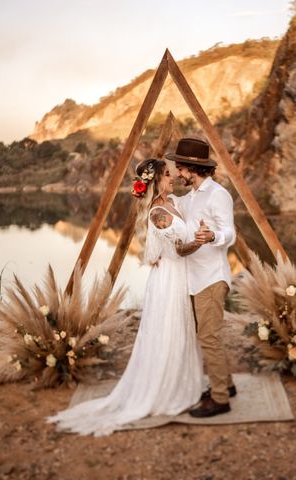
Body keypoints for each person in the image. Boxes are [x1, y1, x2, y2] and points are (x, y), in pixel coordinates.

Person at [47, 158, 206, 436]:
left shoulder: (174, 203)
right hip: (169, 278)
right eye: (169, 175)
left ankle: (183, 383)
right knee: (168, 332)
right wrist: (201, 240)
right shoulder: (158, 213)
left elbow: (191, 207)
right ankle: (164, 390)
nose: (173, 179)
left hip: (179, 276)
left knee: (181, 329)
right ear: (157, 181)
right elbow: (180, 249)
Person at [166, 137, 237, 418]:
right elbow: (168, 209)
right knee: (207, 337)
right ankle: (227, 385)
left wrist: (213, 236)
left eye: (179, 169)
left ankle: (220, 399)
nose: (177, 174)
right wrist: (145, 190)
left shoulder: (218, 194)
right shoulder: (191, 197)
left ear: (190, 168)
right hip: (193, 278)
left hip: (211, 278)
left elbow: (230, 233)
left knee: (208, 338)